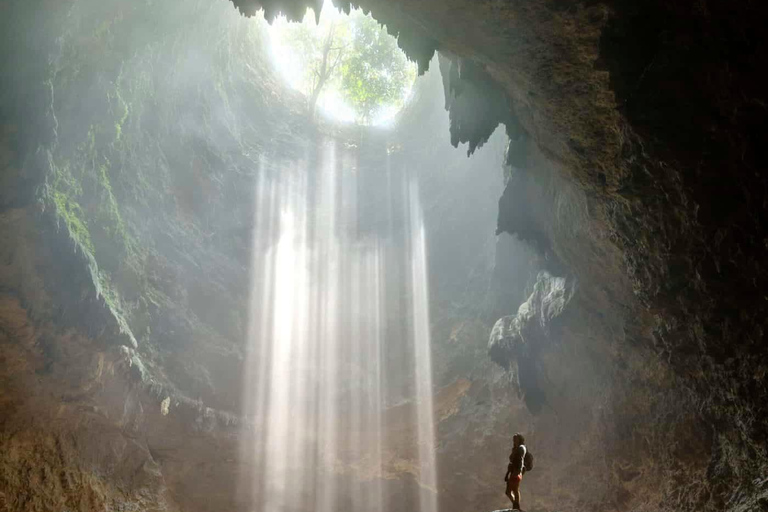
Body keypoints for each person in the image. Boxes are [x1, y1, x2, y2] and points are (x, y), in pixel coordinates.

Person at [504, 433, 527, 510]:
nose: (514, 440)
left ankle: (517, 507)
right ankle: (515, 504)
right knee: (508, 491)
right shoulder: (515, 448)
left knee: (514, 489)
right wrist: (507, 474)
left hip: (517, 471)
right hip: (512, 471)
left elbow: (521, 460)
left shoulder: (521, 448)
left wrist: (518, 472)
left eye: (515, 438)